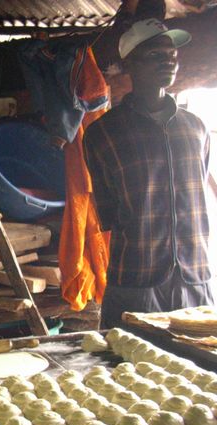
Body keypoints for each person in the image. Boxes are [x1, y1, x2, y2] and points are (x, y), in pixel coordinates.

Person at [84, 18, 214, 328]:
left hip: (195, 275)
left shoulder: (196, 128)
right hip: (136, 277)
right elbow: (108, 209)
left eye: (172, 56)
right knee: (124, 364)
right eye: (155, 55)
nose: (168, 62)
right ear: (130, 63)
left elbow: (197, 189)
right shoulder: (104, 133)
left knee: (199, 369)